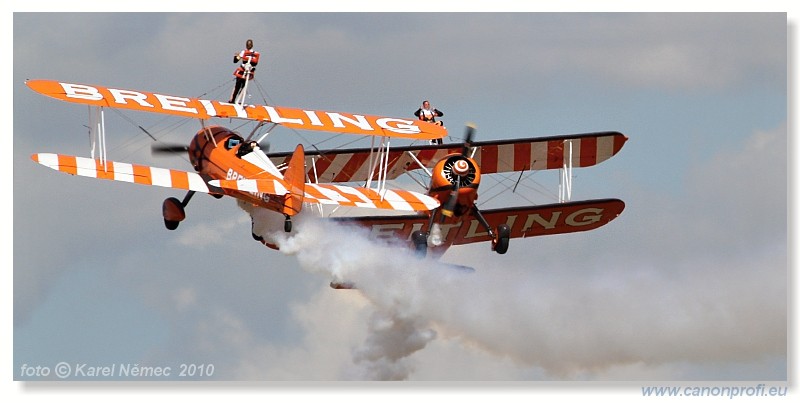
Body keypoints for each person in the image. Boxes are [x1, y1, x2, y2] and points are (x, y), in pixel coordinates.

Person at [229, 39, 261, 104]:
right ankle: (239, 100)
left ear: (246, 45)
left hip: (242, 72)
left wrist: (235, 56)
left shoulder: (244, 52)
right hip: (249, 73)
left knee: (237, 86)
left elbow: (235, 61)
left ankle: (233, 100)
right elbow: (255, 63)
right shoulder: (256, 54)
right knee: (243, 86)